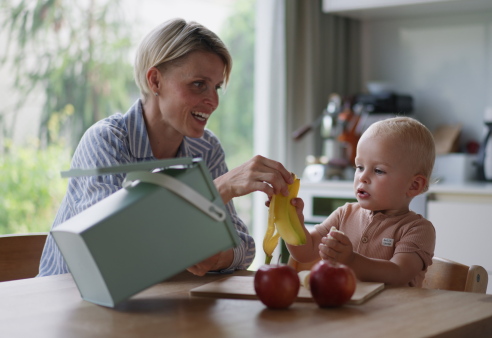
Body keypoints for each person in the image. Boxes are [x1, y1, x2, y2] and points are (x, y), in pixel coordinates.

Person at [38, 18, 294, 277]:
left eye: (216, 87)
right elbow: (108, 249)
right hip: (66, 305)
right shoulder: (107, 141)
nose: (213, 101)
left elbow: (243, 245)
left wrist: (218, 257)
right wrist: (220, 189)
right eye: (198, 84)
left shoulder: (206, 149)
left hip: (152, 305)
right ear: (155, 81)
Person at [287, 116, 436, 286]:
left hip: (394, 311)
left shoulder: (418, 230)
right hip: (346, 310)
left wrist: (351, 260)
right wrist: (291, 220)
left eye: (378, 170)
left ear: (414, 185)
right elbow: (305, 252)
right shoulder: (344, 214)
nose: (362, 177)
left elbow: (398, 273)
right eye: (359, 167)